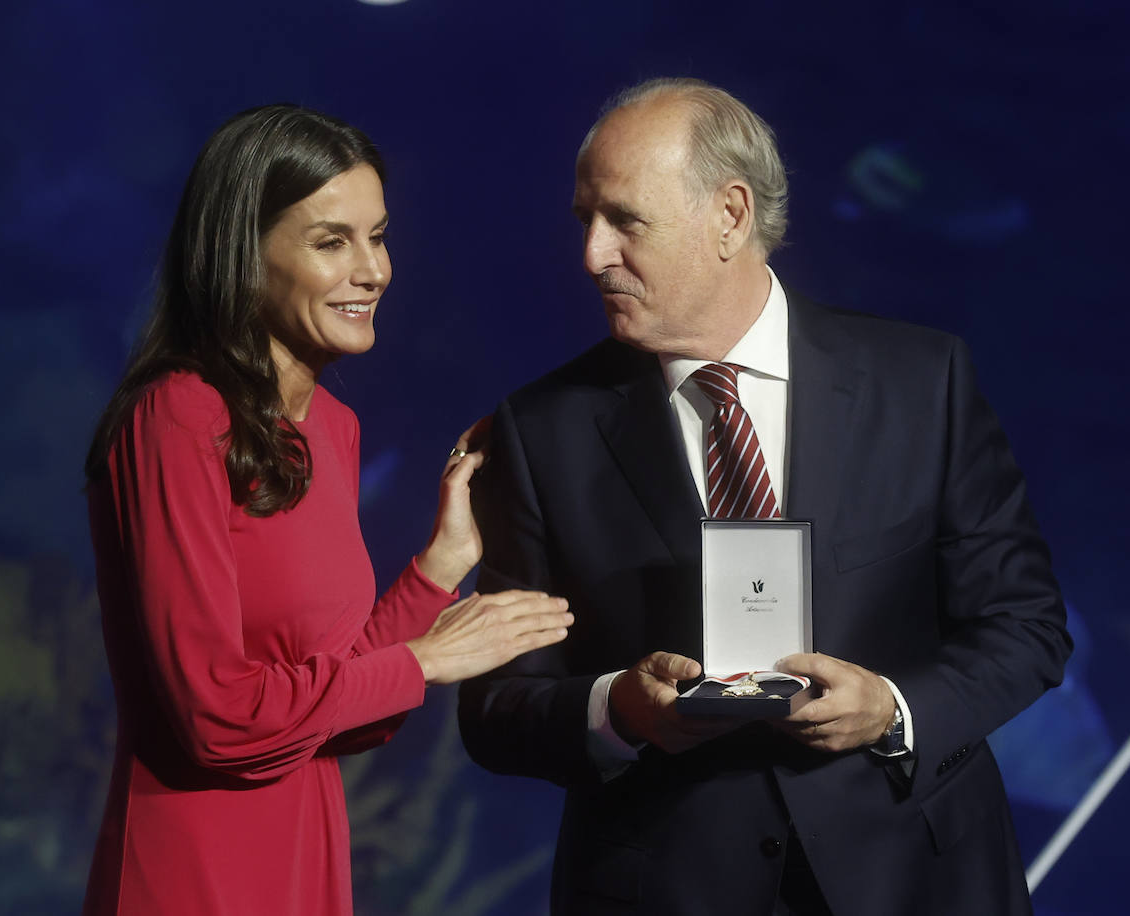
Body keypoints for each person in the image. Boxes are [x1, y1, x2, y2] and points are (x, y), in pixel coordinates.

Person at [457, 78, 1072, 916]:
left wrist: (892, 712)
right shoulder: (539, 431)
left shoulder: (921, 382)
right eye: (586, 222)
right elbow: (494, 708)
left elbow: (1027, 628)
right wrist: (618, 710)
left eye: (625, 221)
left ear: (731, 216)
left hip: (915, 880)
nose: (593, 254)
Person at [80, 104, 573, 916]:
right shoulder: (177, 417)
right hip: (193, 868)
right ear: (245, 253)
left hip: (306, 857)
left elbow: (345, 709)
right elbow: (217, 718)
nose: (373, 270)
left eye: (377, 237)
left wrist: (441, 566)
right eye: (331, 242)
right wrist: (426, 660)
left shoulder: (333, 429)